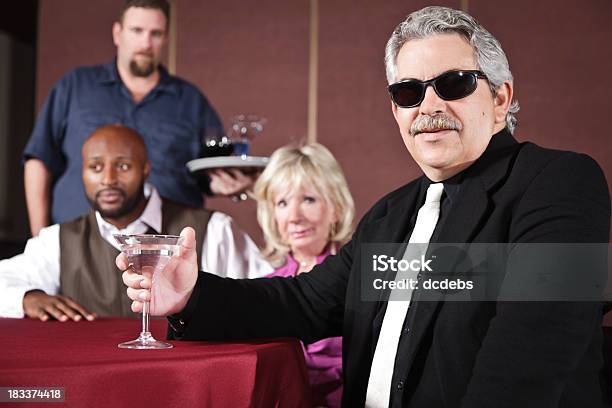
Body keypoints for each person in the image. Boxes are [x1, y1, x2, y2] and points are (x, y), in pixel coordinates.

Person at [120, 6, 610, 407]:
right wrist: (191, 295)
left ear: (501, 99)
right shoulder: (388, 217)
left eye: (454, 84)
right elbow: (303, 303)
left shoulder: (558, 183)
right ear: (396, 110)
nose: (428, 106)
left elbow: (529, 358)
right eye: (408, 92)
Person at [23, 0, 254, 237]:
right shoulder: (75, 86)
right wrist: (40, 239)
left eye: (155, 34)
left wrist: (228, 183)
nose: (146, 43)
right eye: (137, 31)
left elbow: (209, 173)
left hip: (167, 243)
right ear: (117, 33)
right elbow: (39, 161)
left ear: (165, 39)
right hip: (78, 241)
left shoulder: (191, 100)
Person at [1, 124, 271, 321]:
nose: (107, 179)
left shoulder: (214, 229)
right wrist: (26, 298)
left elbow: (264, 298)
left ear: (145, 170)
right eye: (95, 167)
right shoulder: (57, 240)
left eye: (122, 166)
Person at [254, 143, 355, 407]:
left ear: (336, 208)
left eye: (308, 199)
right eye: (282, 203)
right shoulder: (265, 288)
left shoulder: (358, 280)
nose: (294, 216)